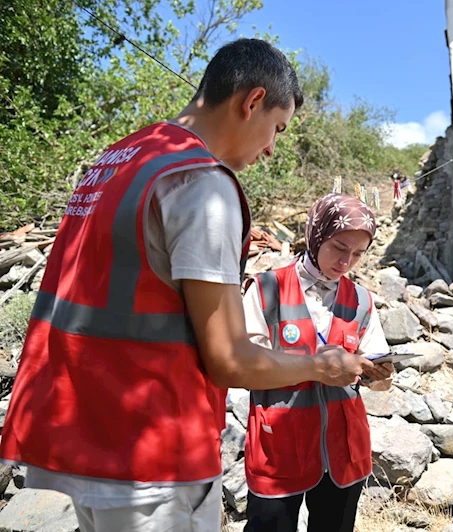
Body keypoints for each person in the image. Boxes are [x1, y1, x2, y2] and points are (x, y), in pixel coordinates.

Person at [0, 39, 374, 532]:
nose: (270, 148)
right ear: (252, 102)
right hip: (151, 452)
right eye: (276, 129)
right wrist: (322, 366)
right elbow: (230, 358)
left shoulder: (118, 160)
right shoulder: (201, 184)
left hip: (79, 433)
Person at [241, 193, 394, 532]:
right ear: (316, 234)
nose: (346, 262)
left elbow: (380, 378)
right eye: (339, 248)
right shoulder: (266, 290)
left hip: (343, 451)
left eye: (357, 254)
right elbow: (246, 368)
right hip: (279, 446)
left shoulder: (362, 300)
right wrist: (313, 365)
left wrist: (379, 375)